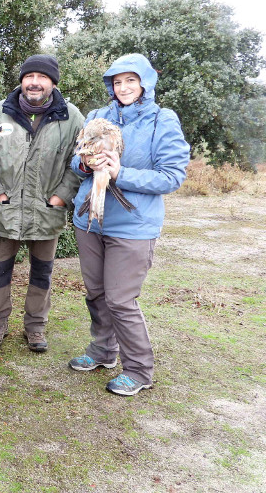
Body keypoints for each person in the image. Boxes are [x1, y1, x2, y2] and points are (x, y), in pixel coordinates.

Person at [67, 53, 189, 396]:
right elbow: (75, 162)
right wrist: (85, 165)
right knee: (96, 293)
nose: (123, 88)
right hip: (90, 219)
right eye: (117, 81)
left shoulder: (161, 120)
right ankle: (103, 351)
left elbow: (171, 176)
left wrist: (121, 173)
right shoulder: (96, 116)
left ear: (145, 83)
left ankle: (138, 370)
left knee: (120, 299)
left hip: (133, 225)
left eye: (130, 80)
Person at [0, 55, 84, 352]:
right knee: (0, 270)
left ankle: (35, 328)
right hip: (5, 211)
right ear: (21, 80)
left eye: (42, 77)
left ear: (53, 83)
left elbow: (79, 164)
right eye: (29, 76)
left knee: (41, 273)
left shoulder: (71, 118)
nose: (34, 82)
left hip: (48, 213)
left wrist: (61, 196)